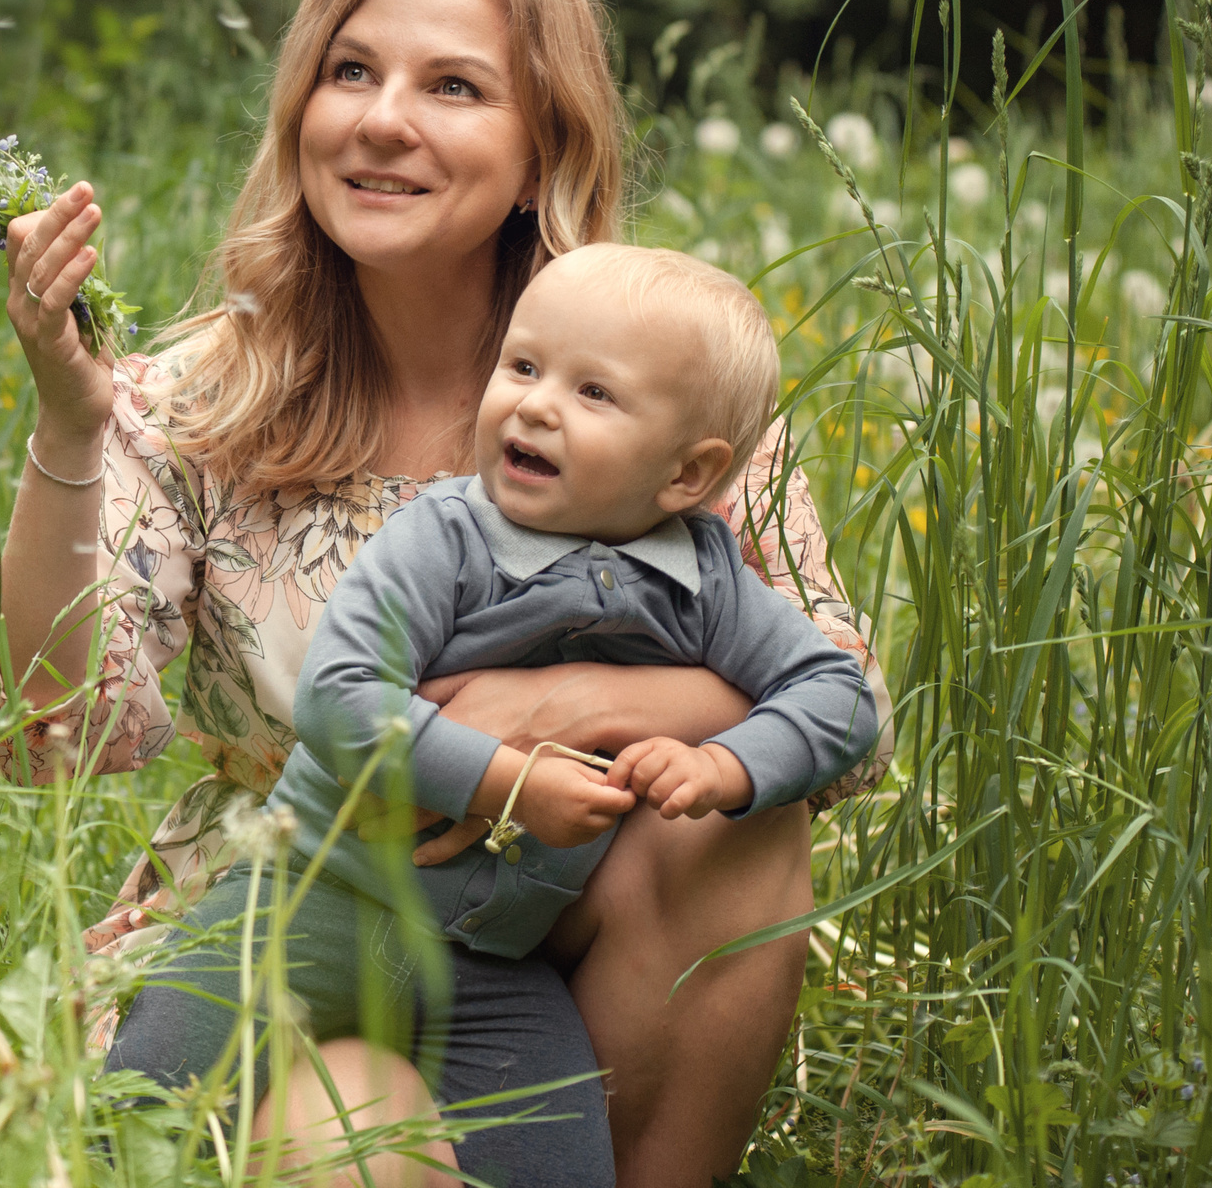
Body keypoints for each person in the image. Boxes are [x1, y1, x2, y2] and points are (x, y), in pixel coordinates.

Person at [0, 0, 891, 1188]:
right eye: (351, 72)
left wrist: (575, 699)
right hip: (289, 915)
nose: (382, 119)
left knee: (740, 820)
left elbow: (846, 709)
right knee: (355, 1122)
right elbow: (49, 736)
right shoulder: (192, 402)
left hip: (553, 920)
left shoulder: (665, 396)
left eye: (452, 86)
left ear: (540, 146)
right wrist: (72, 423)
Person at [99, 244, 882, 1182]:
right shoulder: (448, 536)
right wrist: (509, 782)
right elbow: (341, 701)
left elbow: (837, 696)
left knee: (556, 1158)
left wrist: (727, 765)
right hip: (310, 904)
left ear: (687, 474)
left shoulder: (707, 576)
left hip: (485, 960)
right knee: (142, 1114)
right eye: (521, 367)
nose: (537, 404)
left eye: (595, 394)